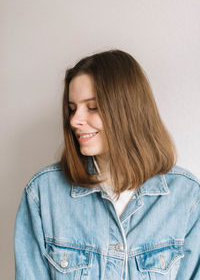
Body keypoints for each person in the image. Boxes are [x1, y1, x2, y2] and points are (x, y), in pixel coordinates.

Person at [14, 50, 200, 279]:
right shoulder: (43, 193)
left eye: (92, 107)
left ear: (127, 110)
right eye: (72, 109)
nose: (74, 120)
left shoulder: (187, 197)